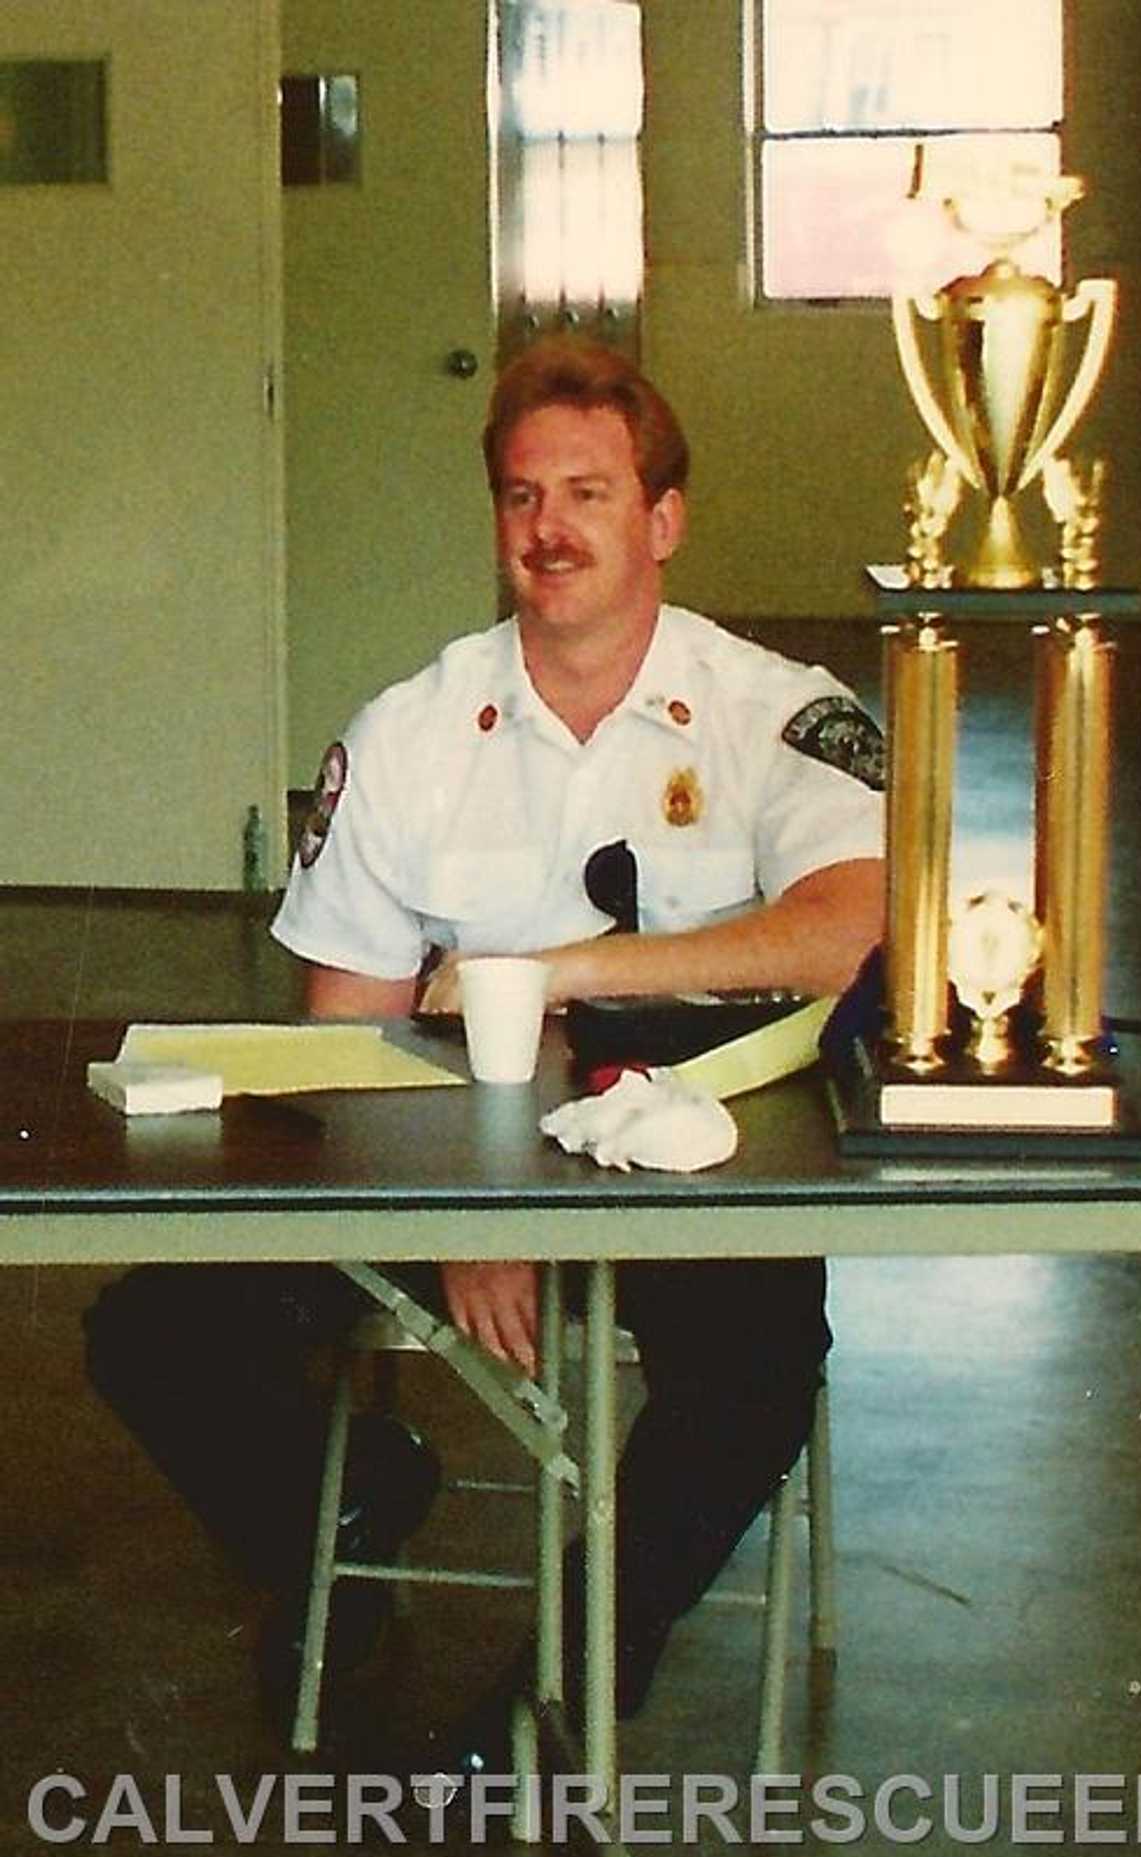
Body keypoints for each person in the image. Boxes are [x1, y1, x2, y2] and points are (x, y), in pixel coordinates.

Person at [84, 338, 885, 1763]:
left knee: (757, 1366)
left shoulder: (781, 711)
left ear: (665, 518)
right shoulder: (409, 730)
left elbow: (840, 930)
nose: (551, 530)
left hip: (689, 1163)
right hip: (446, 1157)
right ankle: (337, 1508)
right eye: (522, 497)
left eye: (589, 490)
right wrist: (461, 1202)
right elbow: (349, 1026)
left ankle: (559, 1693)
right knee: (160, 1328)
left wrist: (566, 971)